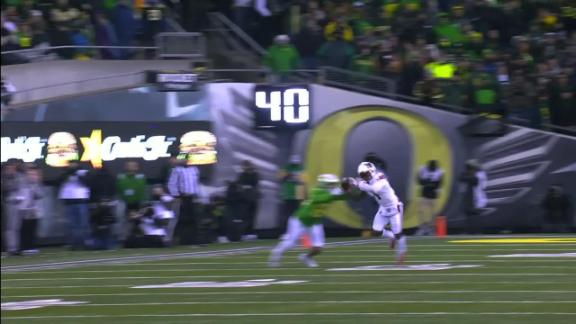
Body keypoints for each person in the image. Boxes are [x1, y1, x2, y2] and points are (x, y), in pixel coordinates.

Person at [269, 174, 347, 268]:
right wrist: (335, 192)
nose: (333, 186)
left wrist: (349, 189)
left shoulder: (331, 193)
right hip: (300, 220)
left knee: (318, 247)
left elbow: (345, 197)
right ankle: (277, 252)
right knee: (290, 243)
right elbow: (321, 199)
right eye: (330, 184)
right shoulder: (316, 190)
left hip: (315, 221)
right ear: (324, 184)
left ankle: (306, 257)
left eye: (334, 184)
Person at [353, 161, 407, 265]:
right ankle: (390, 236)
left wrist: (360, 185)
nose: (365, 177)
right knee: (376, 231)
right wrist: (354, 186)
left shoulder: (380, 177)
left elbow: (375, 189)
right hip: (383, 208)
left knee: (398, 234)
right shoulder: (364, 183)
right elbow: (361, 193)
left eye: (366, 174)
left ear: (372, 171)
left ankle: (401, 254)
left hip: (395, 207)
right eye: (362, 175)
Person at [167, 157, 201, 245]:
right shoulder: (177, 170)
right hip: (182, 197)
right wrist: (176, 196)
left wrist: (197, 195)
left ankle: (194, 239)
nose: (184, 161)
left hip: (192, 197)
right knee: (178, 219)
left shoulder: (194, 169)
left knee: (193, 219)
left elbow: (196, 183)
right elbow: (172, 184)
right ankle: (171, 239)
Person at [58, 161, 91, 250]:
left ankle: (84, 242)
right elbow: (58, 181)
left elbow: (88, 182)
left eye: (74, 164)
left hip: (81, 201)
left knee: (83, 224)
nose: (72, 166)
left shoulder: (83, 172)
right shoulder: (66, 174)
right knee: (72, 225)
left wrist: (77, 174)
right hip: (69, 202)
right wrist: (67, 174)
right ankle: (74, 243)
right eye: (70, 164)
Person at [117, 161, 147, 240]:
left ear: (137, 167)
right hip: (125, 202)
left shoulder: (141, 177)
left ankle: (142, 237)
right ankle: (123, 238)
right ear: (125, 167)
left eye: (134, 166)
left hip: (138, 202)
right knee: (123, 219)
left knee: (140, 220)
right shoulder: (121, 177)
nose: (132, 167)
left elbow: (141, 190)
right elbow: (119, 189)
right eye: (129, 166)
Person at [2, 159, 26, 255]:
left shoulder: (19, 176)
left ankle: (16, 247)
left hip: (19, 203)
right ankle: (11, 248)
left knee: (17, 227)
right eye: (10, 167)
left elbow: (22, 187)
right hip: (9, 203)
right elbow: (6, 188)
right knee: (10, 227)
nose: (11, 168)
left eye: (13, 166)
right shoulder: (4, 177)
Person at [278, 155, 306, 236]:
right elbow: (280, 179)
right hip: (288, 194)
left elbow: (304, 181)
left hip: (299, 194)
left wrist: (297, 178)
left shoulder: (302, 168)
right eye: (293, 163)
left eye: (296, 163)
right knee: (287, 214)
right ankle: (287, 232)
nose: (295, 165)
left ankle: (299, 232)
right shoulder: (285, 168)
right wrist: (287, 175)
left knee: (299, 214)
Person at [20, 165, 44, 254]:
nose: (32, 176)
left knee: (33, 228)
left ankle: (32, 246)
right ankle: (25, 247)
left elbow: (40, 195)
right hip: (25, 208)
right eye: (30, 174)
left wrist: (36, 188)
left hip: (35, 209)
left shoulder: (38, 184)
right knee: (26, 228)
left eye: (34, 174)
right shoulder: (23, 184)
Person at [459, 159, 488, 234]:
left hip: (478, 196)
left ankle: (477, 231)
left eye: (470, 167)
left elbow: (474, 181)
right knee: (468, 213)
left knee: (475, 213)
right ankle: (469, 231)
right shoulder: (472, 173)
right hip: (472, 196)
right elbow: (460, 177)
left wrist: (469, 174)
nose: (468, 168)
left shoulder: (480, 174)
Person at [416, 160, 444, 236]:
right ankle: (422, 229)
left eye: (432, 168)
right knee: (421, 212)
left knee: (434, 214)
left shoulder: (439, 172)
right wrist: (429, 183)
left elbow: (438, 184)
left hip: (434, 196)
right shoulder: (423, 169)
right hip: (424, 195)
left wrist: (428, 183)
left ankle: (432, 229)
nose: (431, 169)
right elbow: (419, 181)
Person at [236, 160, 260, 240]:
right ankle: (244, 233)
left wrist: (246, 187)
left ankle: (250, 233)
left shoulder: (254, 174)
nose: (245, 168)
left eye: (246, 166)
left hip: (252, 198)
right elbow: (239, 184)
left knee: (252, 216)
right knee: (245, 216)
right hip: (245, 199)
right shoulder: (242, 175)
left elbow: (255, 183)